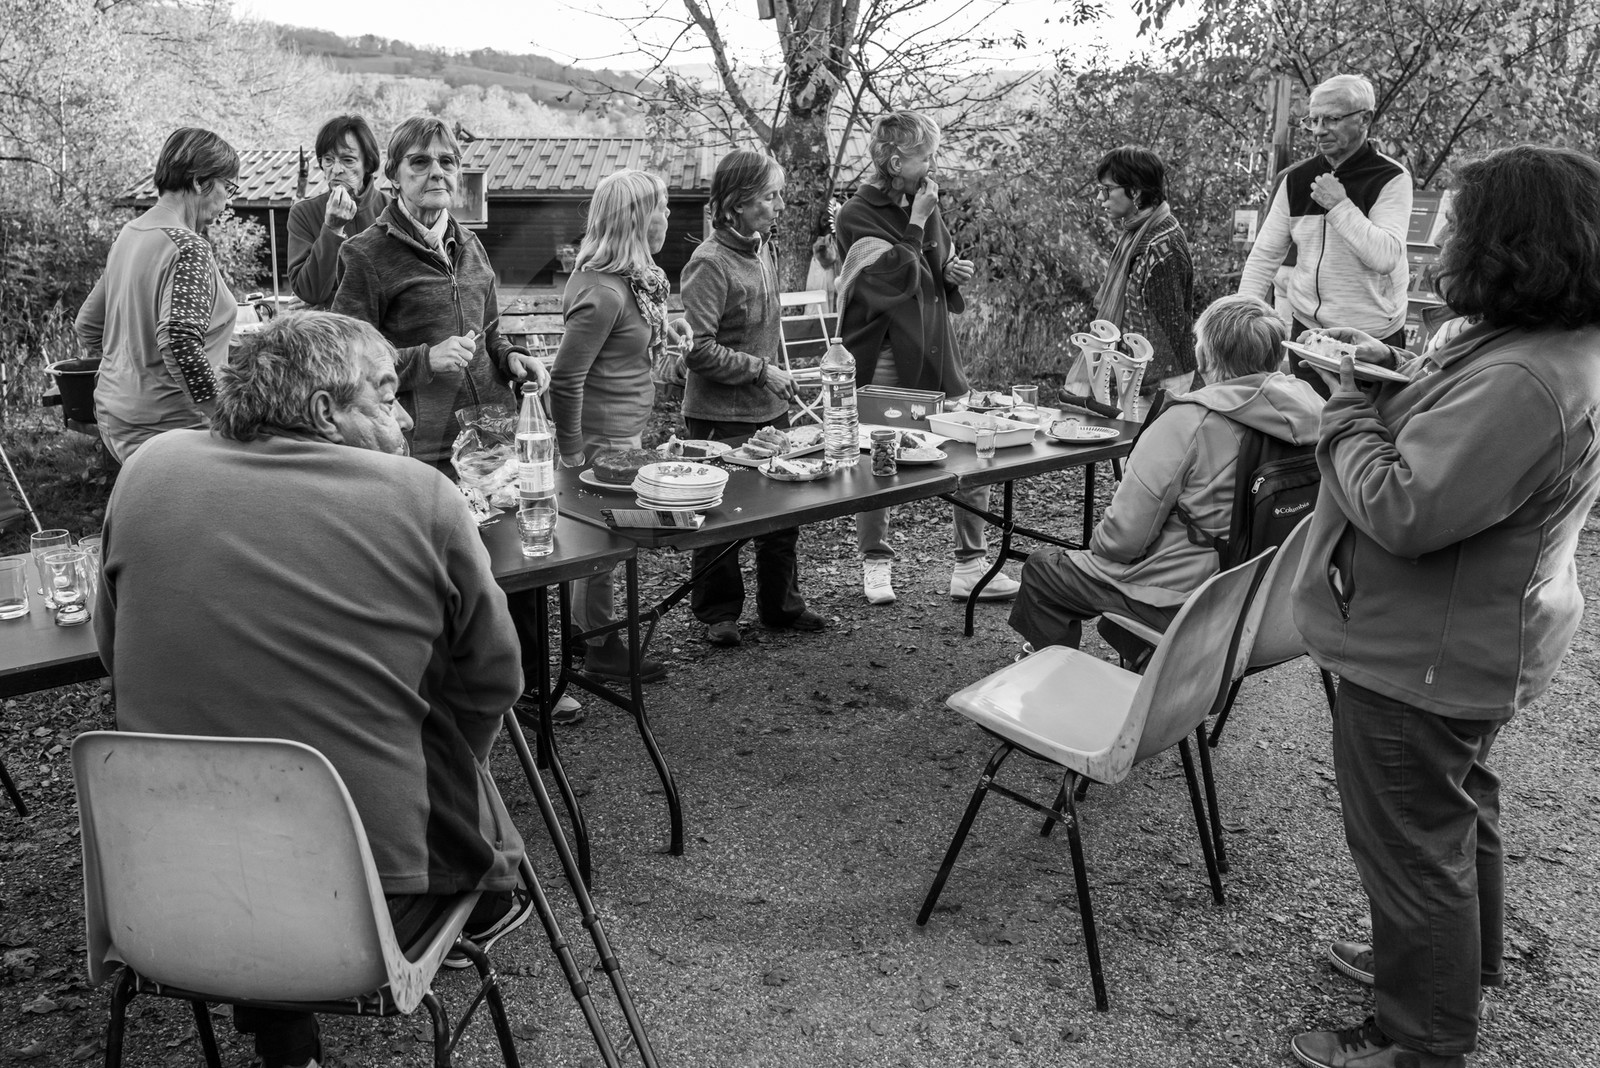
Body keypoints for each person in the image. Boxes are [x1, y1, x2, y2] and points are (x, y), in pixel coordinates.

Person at [95, 311, 533, 1068]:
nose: (401, 417)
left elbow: (113, 651)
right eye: (385, 396)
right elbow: (495, 680)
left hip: (160, 899)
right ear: (326, 411)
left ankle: (287, 1049)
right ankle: (472, 907)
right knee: (462, 831)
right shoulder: (423, 496)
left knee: (255, 801)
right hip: (364, 911)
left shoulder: (146, 470)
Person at [1287, 145, 1600, 1068]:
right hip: (1468, 640)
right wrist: (1401, 377)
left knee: (1411, 844)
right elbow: (1462, 450)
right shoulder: (1545, 344)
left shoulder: (1526, 379)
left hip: (1421, 654)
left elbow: (1405, 509)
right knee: (1454, 809)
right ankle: (1459, 964)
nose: (1438, 237)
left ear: (1513, 242)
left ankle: (1419, 1037)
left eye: (1457, 222)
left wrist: (1345, 411)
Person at [1008, 295, 1321, 651]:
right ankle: (1146, 672)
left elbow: (1121, 541)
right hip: (1275, 603)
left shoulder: (1189, 422)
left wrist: (1102, 550)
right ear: (1274, 357)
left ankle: (1056, 684)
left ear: (1205, 357)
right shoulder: (1318, 413)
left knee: (1043, 569)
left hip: (1190, 601)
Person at [834, 109, 1017, 606]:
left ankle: (969, 565)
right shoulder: (855, 215)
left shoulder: (926, 202)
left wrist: (951, 272)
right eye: (925, 155)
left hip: (939, 349)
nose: (934, 164)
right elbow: (889, 282)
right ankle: (876, 562)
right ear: (894, 160)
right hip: (889, 354)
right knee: (881, 459)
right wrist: (916, 222)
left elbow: (930, 271)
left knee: (971, 452)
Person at [332, 116, 547, 471]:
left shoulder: (471, 245)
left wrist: (511, 359)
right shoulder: (364, 254)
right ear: (393, 175)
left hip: (496, 441)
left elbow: (490, 332)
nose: (436, 171)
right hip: (426, 452)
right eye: (420, 161)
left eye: (447, 162)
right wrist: (426, 360)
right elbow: (349, 362)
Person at [680, 148, 825, 646]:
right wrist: (762, 371)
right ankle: (719, 615)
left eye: (779, 194)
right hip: (717, 417)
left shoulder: (764, 248)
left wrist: (771, 378)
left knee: (781, 515)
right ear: (737, 203)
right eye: (770, 195)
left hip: (771, 411)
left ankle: (781, 607)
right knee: (722, 516)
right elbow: (696, 350)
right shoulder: (709, 263)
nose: (779, 204)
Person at [549, 169, 681, 683]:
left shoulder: (630, 283)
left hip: (623, 434)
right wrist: (573, 454)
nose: (668, 217)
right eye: (662, 207)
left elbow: (625, 342)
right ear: (635, 219)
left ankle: (594, 637)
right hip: (601, 442)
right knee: (602, 547)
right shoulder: (603, 291)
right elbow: (565, 379)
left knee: (608, 546)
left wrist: (670, 329)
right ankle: (599, 645)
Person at [1236, 74, 1412, 396]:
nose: (1318, 131)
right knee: (1310, 434)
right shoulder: (1296, 179)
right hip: (1308, 333)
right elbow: (1264, 256)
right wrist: (1238, 317)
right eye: (1313, 120)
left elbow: (1385, 257)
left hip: (1372, 338)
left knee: (1364, 434)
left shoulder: (1391, 178)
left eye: (1330, 119)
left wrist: (1339, 205)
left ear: (1365, 119)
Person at [76, 127, 241, 464]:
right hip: (172, 431)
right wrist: (225, 416)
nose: (228, 200)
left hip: (115, 417)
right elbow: (178, 339)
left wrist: (134, 366)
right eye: (228, 186)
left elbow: (88, 326)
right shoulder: (189, 246)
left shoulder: (131, 234)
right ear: (199, 182)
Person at [1092, 145, 1196, 393]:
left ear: (1135, 192)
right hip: (1138, 375)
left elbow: (1167, 335)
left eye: (1106, 190)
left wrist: (1130, 386)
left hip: (1159, 385)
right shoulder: (1139, 233)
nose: (1100, 198)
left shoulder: (1161, 248)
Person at [286, 114, 389, 310]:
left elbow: (400, 289)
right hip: (327, 335)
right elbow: (308, 291)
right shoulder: (303, 213)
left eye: (348, 160)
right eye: (328, 160)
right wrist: (332, 229)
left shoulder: (391, 210)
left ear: (368, 164)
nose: (336, 169)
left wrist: (328, 300)